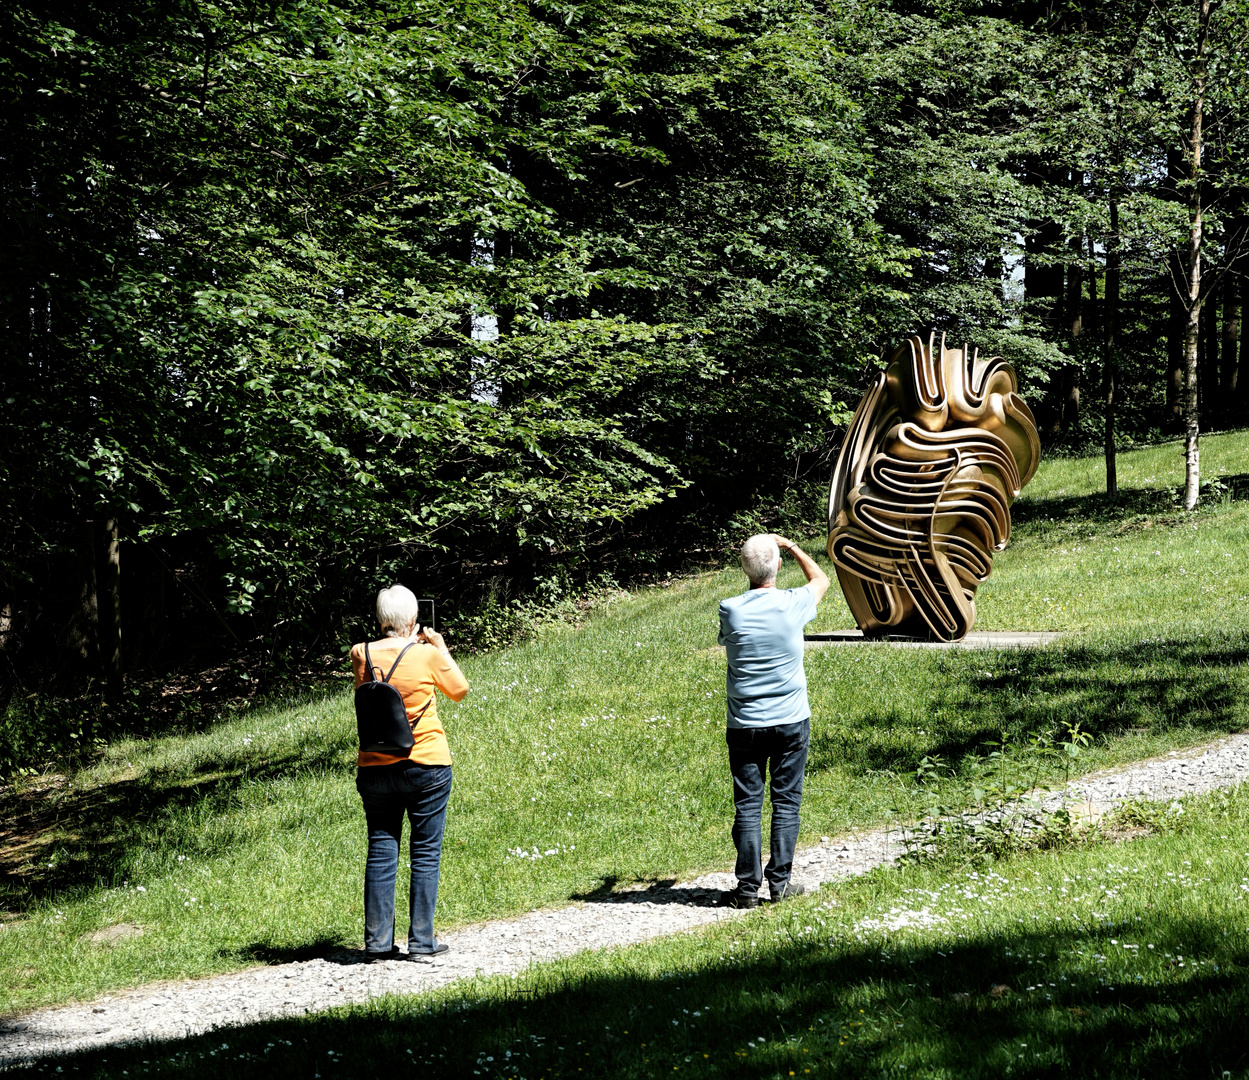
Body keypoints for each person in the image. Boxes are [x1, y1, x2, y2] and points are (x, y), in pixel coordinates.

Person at [351, 584, 468, 961]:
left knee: (382, 849)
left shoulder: (360, 653)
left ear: (380, 619)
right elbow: (459, 690)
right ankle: (422, 942)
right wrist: (439, 647)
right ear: (414, 620)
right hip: (426, 763)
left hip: (375, 765)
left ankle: (377, 944)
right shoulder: (426, 655)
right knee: (425, 854)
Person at [718, 533, 829, 908]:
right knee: (787, 802)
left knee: (748, 805)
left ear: (744, 568)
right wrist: (794, 547)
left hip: (745, 723)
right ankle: (780, 885)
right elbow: (821, 580)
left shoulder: (730, 609)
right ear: (778, 565)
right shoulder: (793, 604)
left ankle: (747, 890)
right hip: (791, 720)